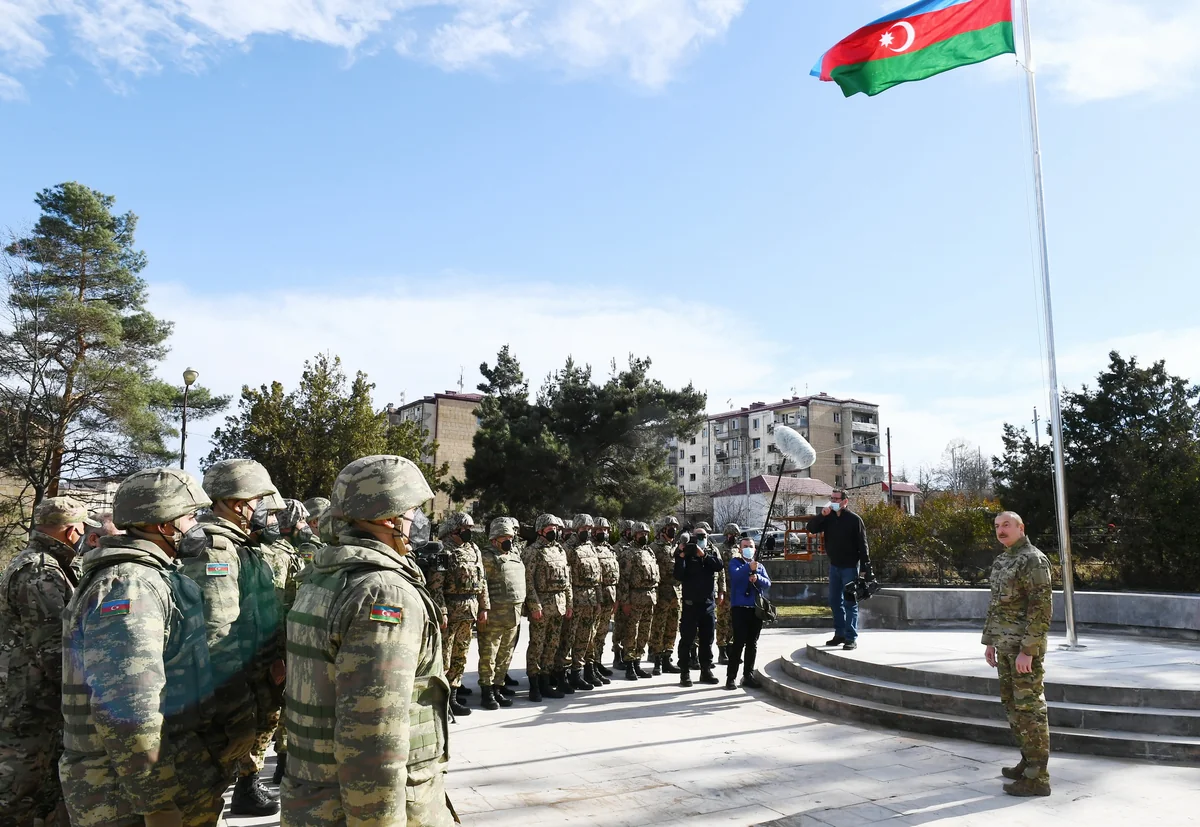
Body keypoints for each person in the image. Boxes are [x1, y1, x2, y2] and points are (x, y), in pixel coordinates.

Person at [281, 454, 455, 826]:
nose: (417, 522)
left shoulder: (326, 573)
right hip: (362, 806)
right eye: (412, 511)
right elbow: (374, 735)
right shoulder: (384, 592)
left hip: (315, 794)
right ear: (388, 518)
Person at [60, 468, 229, 827]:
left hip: (156, 776)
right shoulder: (131, 585)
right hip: (126, 796)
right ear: (163, 525)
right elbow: (130, 704)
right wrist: (158, 804)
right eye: (189, 516)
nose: (195, 525)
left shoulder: (147, 576)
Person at [187, 458, 280, 817]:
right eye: (258, 501)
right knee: (203, 793)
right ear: (239, 504)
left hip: (246, 680)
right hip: (224, 695)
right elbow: (216, 633)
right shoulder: (216, 547)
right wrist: (236, 706)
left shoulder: (236, 543)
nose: (262, 511)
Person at [0, 496, 87, 826]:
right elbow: (53, 649)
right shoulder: (40, 571)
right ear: (71, 531)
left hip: (35, 699)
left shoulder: (46, 563)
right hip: (29, 704)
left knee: (43, 793)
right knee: (19, 793)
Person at [983, 511, 1053, 798]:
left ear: (1021, 527)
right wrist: (990, 642)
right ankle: (1028, 763)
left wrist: (1028, 651)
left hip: (1023, 650)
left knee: (1030, 710)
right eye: (997, 526)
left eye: (1006, 525)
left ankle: (1039, 778)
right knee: (1013, 707)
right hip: (1004, 646)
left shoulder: (1033, 559)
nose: (1001, 530)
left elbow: (1041, 608)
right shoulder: (1003, 560)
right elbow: (995, 605)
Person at [430, 512, 489, 717]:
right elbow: (435, 585)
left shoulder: (474, 550)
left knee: (460, 655)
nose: (468, 533)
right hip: (451, 611)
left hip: (470, 610)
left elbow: (482, 581)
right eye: (466, 529)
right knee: (445, 657)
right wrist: (442, 611)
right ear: (455, 530)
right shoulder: (442, 550)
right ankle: (440, 701)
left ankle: (453, 698)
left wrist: (484, 607)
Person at [805, 489, 872, 650]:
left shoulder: (854, 520)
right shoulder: (828, 518)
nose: (833, 501)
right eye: (832, 498)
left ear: (845, 501)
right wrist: (822, 515)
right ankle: (839, 633)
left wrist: (865, 568)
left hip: (850, 567)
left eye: (836, 499)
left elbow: (863, 545)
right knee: (835, 602)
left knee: (850, 602)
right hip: (834, 566)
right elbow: (811, 528)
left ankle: (851, 637)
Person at [523, 515, 572, 702]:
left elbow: (567, 581)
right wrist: (534, 605)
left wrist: (569, 604)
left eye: (556, 528)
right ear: (541, 530)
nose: (555, 531)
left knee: (552, 645)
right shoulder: (532, 551)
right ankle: (534, 685)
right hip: (542, 606)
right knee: (537, 645)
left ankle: (545, 682)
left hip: (558, 606)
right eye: (551, 527)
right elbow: (528, 582)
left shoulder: (560, 550)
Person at [478, 518, 525, 709]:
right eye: (504, 537)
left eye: (511, 537)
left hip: (513, 613)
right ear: (494, 539)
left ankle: (498, 687)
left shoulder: (515, 554)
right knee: (489, 654)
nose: (509, 540)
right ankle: (487, 692)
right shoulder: (486, 556)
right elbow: (482, 585)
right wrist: (484, 609)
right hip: (495, 613)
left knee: (505, 654)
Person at [673, 522, 723, 687]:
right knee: (687, 639)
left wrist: (703, 555)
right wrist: (680, 556)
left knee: (707, 639)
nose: (700, 539)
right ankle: (684, 672)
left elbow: (718, 566)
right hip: (690, 604)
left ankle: (706, 670)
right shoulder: (686, 552)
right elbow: (679, 575)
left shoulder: (711, 551)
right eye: (697, 536)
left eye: (703, 536)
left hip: (708, 604)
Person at [562, 514, 603, 690]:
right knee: (569, 638)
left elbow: (598, 576)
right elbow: (566, 579)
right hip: (576, 599)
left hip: (591, 599)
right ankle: (562, 673)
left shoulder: (591, 547)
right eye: (583, 529)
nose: (586, 532)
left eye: (588, 529)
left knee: (585, 637)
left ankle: (578, 672)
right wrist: (569, 603)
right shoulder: (568, 548)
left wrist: (599, 600)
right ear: (576, 529)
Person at [725, 537, 771, 691]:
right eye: (745, 546)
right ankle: (731, 677)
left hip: (755, 609)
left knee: (752, 643)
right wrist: (748, 568)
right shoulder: (735, 563)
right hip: (740, 608)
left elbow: (768, 583)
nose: (748, 549)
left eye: (750, 546)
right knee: (738, 642)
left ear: (755, 549)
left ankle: (748, 675)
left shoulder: (759, 566)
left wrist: (757, 577)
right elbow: (736, 577)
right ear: (740, 548)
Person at [618, 521, 659, 681]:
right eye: (641, 534)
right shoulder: (628, 553)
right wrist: (625, 602)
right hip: (634, 598)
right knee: (631, 633)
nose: (644, 536)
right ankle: (629, 665)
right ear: (634, 535)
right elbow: (624, 581)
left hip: (649, 598)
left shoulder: (649, 552)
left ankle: (637, 662)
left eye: (646, 534)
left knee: (644, 632)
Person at [648, 516, 682, 675]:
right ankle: (657, 659)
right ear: (663, 529)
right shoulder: (654, 547)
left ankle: (668, 657)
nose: (673, 530)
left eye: (675, 527)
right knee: (658, 627)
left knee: (672, 626)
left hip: (676, 593)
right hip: (662, 593)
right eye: (670, 526)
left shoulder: (675, 548)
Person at [588, 517, 617, 684]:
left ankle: (597, 662)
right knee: (591, 635)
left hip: (609, 596)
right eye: (600, 530)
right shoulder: (590, 549)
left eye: (606, 530)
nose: (603, 533)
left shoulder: (609, 549)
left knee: (601, 634)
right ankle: (589, 666)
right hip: (595, 597)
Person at [610, 519, 634, 670]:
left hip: (634, 593)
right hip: (621, 592)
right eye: (631, 530)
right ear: (624, 531)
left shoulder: (634, 548)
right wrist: (619, 598)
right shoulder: (616, 549)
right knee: (619, 625)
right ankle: (617, 655)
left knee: (630, 627)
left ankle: (628, 654)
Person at [716, 523, 739, 664]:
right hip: (725, 587)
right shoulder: (720, 549)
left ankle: (731, 647)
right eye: (731, 535)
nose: (733, 537)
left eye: (735, 535)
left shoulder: (738, 549)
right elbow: (719, 571)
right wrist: (721, 590)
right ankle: (722, 650)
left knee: (733, 620)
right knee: (723, 619)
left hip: (736, 588)